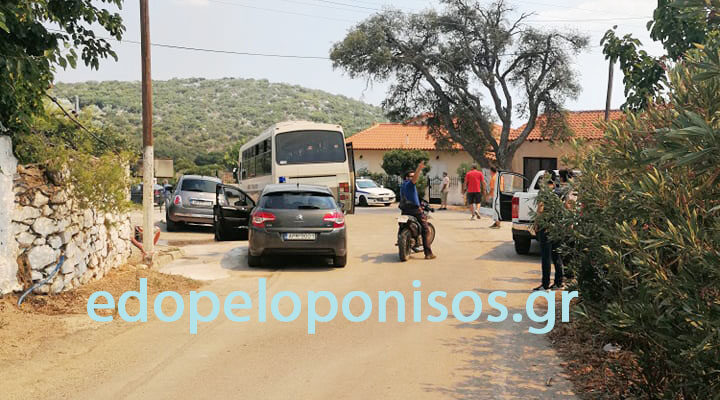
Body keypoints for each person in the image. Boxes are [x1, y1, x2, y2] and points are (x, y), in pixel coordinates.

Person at [533, 171, 564, 291]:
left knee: (546, 257)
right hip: (557, 227)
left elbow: (540, 208)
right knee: (557, 256)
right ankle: (559, 282)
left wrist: (536, 222)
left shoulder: (544, 192)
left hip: (546, 227)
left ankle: (545, 284)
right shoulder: (560, 192)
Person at [399, 161, 436, 260]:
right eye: (411, 176)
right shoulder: (409, 185)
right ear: (406, 178)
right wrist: (419, 169)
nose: (413, 177)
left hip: (404, 210)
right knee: (425, 229)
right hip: (414, 210)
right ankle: (428, 253)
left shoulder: (403, 185)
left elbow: (414, 197)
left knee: (402, 226)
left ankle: (401, 241)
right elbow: (415, 179)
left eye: (413, 176)